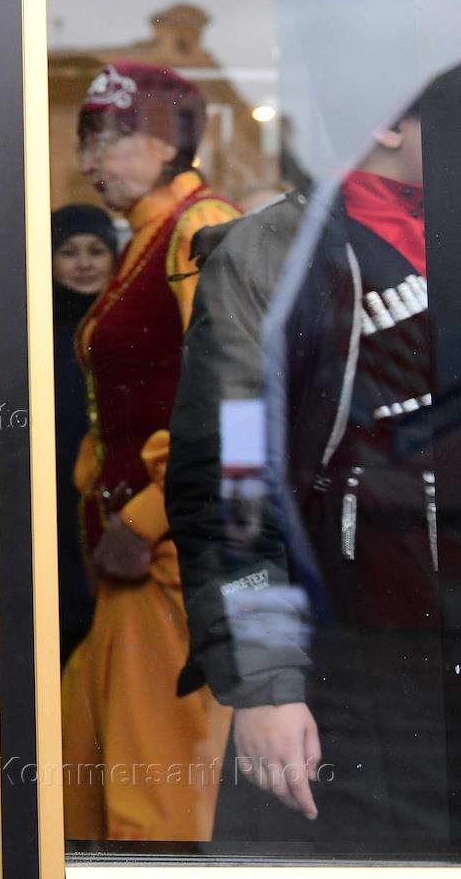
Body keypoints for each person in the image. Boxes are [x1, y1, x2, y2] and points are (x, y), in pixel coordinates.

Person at [168, 79, 451, 844]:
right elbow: (230, 488)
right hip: (350, 679)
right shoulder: (270, 257)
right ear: (388, 123)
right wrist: (265, 682)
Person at [60, 60, 239, 841]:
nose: (89, 161)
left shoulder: (202, 227)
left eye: (108, 139)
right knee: (83, 786)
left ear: (167, 144)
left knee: (151, 807)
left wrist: (147, 516)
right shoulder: (148, 236)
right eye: (87, 142)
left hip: (168, 565)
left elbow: (245, 399)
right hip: (128, 567)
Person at [50, 204, 117, 665]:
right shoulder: (32, 327)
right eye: (69, 251)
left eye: (96, 250)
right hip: (52, 489)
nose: (84, 263)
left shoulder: (125, 326)